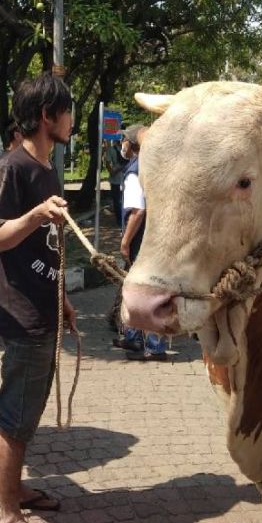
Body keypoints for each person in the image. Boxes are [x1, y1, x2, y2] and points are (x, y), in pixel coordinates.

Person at [0, 72, 76, 523]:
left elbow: (46, 247)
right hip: (21, 316)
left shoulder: (46, 166)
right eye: (67, 111)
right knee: (15, 419)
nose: (72, 119)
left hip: (45, 310)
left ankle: (17, 492)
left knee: (29, 412)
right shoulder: (12, 168)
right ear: (47, 116)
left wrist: (62, 299)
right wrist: (37, 214)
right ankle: (9, 520)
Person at [113, 124, 168, 362]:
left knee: (147, 288)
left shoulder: (135, 171)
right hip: (154, 237)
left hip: (140, 240)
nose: (121, 146)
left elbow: (137, 211)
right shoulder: (155, 168)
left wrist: (125, 241)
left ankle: (155, 346)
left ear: (131, 144)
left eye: (123, 141)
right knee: (134, 286)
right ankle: (132, 335)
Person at [105, 138, 128, 227]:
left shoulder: (117, 149)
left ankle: (121, 220)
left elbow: (107, 162)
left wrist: (112, 171)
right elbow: (107, 162)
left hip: (122, 178)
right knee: (118, 201)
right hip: (118, 178)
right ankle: (121, 220)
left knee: (119, 200)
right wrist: (112, 171)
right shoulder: (124, 148)